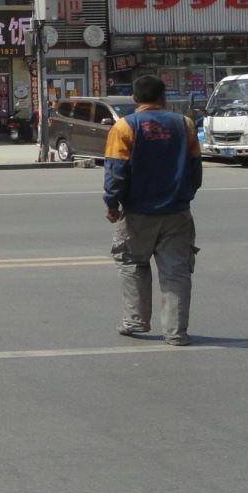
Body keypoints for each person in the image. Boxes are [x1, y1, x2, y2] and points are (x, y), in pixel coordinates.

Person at [104, 74, 202, 345]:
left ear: (135, 98)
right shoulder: (185, 124)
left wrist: (112, 204)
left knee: (132, 263)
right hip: (177, 212)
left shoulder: (124, 127)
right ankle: (176, 332)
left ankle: (135, 320)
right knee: (176, 272)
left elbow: (116, 171)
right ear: (163, 97)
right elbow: (195, 169)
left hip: (137, 212)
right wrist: (185, 196)